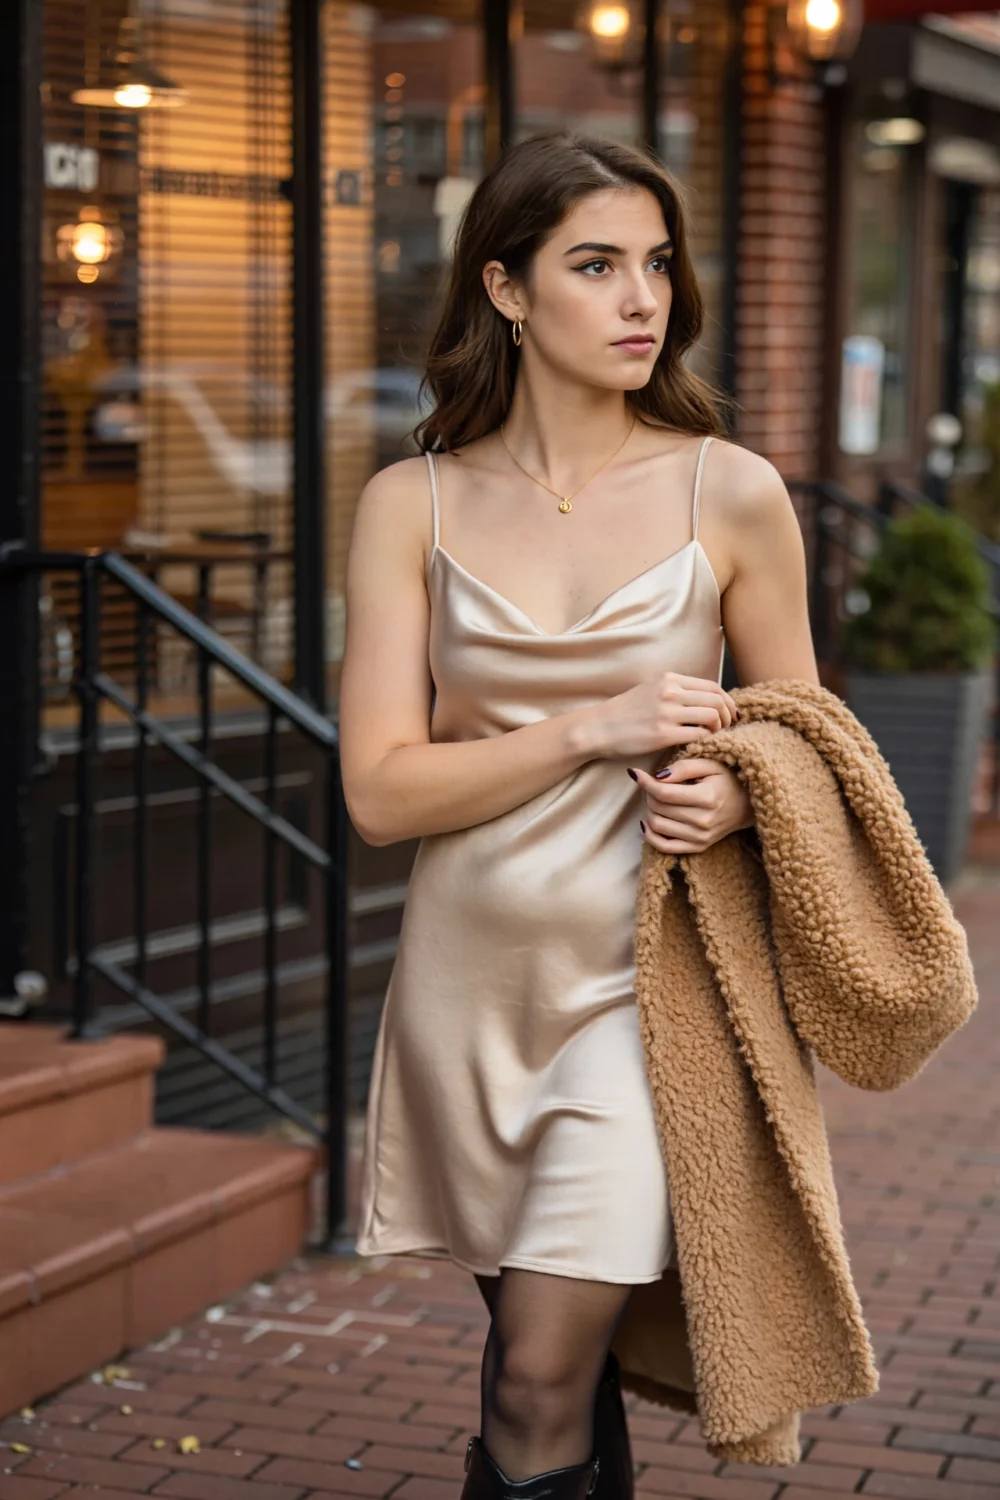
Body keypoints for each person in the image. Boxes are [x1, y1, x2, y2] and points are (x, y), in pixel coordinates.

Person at [339, 132, 819, 1499]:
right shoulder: (407, 504)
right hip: (466, 996)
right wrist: (589, 729)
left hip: (640, 992)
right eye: (596, 265)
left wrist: (739, 787)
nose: (641, 300)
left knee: (537, 1375)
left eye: (657, 265)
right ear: (505, 288)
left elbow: (811, 742)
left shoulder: (725, 487)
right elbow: (379, 791)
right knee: (549, 1364)